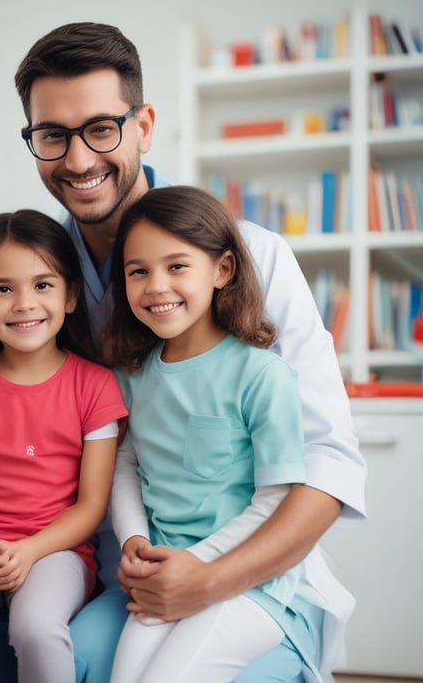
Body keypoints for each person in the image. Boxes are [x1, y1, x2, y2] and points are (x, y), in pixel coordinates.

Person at [0, 22, 365, 683]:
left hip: (239, 575)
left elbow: (325, 463)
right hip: (58, 566)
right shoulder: (35, 273)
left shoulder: (248, 258)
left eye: (102, 128)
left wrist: (211, 578)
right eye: (53, 135)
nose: (79, 159)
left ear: (144, 125)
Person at [104, 185, 353, 682]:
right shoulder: (134, 375)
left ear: (221, 270)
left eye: (177, 266)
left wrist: (196, 568)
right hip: (163, 574)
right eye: (139, 272)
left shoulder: (262, 375)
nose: (156, 285)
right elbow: (125, 461)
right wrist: (133, 537)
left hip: (250, 586)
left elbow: (275, 500)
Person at [0, 209, 127, 682]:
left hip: (57, 551)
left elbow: (92, 504)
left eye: (43, 285)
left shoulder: (96, 387)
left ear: (72, 295)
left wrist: (30, 551)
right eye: (3, 288)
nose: (23, 303)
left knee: (37, 628)